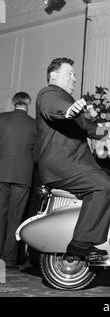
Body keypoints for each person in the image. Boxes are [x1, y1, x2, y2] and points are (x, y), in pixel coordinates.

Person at [36, 57, 110, 260]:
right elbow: (53, 107)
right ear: (53, 75)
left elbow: (89, 128)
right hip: (63, 164)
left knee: (105, 185)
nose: (74, 78)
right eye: (69, 73)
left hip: (74, 164)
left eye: (74, 74)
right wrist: (68, 111)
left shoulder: (72, 102)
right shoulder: (49, 93)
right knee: (103, 186)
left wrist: (105, 132)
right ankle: (80, 243)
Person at [0, 92, 37, 269]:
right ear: (28, 104)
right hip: (23, 175)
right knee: (15, 218)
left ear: (13, 102)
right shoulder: (34, 124)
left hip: (1, 172)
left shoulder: (1, 119)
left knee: (0, 215)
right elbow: (37, 154)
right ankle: (9, 259)